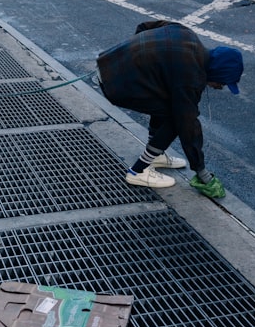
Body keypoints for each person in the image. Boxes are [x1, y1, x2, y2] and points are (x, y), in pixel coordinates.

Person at [96, 20, 243, 198]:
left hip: (109, 63)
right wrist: (201, 171)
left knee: (165, 97)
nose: (219, 88)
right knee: (176, 118)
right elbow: (188, 125)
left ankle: (156, 154)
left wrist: (137, 57)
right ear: (217, 73)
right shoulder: (190, 77)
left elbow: (144, 27)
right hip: (116, 85)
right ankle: (138, 171)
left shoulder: (188, 35)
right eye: (222, 83)